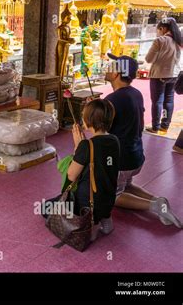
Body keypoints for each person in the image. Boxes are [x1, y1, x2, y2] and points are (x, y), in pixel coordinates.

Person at [104, 53, 182, 228]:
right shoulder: (135, 93)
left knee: (111, 195)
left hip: (121, 160)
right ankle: (158, 199)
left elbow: (100, 131)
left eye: (111, 66)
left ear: (116, 74)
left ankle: (154, 206)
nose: (107, 69)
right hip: (136, 156)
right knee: (127, 185)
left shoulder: (112, 99)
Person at [67, 99, 120, 240]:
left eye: (84, 114)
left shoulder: (86, 146)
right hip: (109, 197)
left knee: (47, 208)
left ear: (88, 120)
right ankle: (106, 220)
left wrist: (79, 147)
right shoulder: (115, 140)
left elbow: (71, 175)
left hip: (89, 202)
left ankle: (92, 226)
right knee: (103, 197)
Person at [145, 17, 182, 134]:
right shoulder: (179, 41)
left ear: (163, 28)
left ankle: (155, 126)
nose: (158, 32)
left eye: (159, 29)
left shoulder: (160, 40)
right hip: (174, 75)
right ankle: (165, 125)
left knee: (157, 102)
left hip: (159, 75)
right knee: (168, 101)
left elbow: (149, 59)